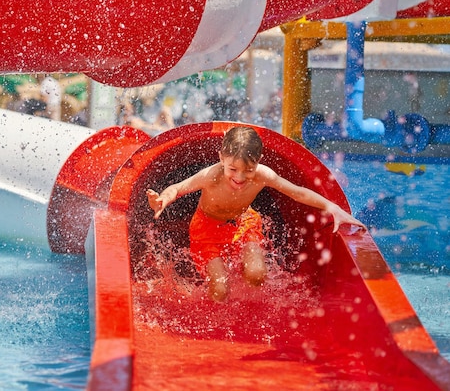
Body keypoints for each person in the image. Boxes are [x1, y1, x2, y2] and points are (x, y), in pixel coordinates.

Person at [146, 126, 366, 302]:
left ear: (258, 161)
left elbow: (297, 193)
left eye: (248, 170)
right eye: (233, 169)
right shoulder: (211, 176)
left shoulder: (263, 175)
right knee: (220, 289)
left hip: (244, 223)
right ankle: (210, 304)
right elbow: (178, 188)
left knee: (256, 274)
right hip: (207, 229)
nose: (240, 178)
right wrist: (163, 198)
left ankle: (244, 298)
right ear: (222, 157)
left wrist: (333, 208)